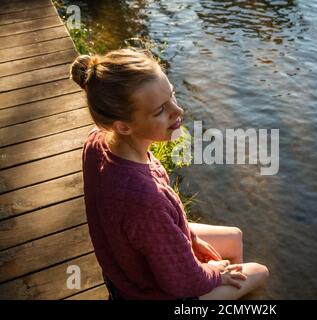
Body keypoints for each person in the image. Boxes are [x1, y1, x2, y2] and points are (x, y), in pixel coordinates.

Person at [71, 48, 269, 300]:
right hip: (147, 293)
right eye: (159, 111)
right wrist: (215, 274)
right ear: (123, 125)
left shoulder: (99, 141)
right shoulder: (143, 199)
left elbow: (156, 225)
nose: (178, 111)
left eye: (172, 96)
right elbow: (185, 282)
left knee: (233, 237)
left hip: (124, 269)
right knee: (259, 272)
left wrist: (191, 237)